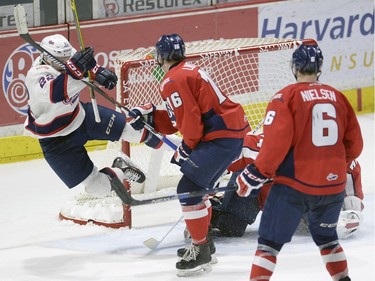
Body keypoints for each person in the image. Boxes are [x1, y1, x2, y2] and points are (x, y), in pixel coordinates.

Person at [235, 43, 363, 281]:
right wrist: (328, 165)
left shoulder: (286, 97)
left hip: (294, 187)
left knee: (268, 245)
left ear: (294, 67)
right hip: (332, 188)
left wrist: (254, 173)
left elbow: (274, 145)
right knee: (328, 240)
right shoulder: (339, 97)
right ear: (320, 67)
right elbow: (355, 146)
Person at [128, 33, 250, 277]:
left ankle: (200, 249)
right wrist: (151, 116)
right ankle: (205, 244)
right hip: (230, 133)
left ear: (161, 56)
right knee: (197, 188)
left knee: (188, 189)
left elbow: (191, 123)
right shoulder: (185, 71)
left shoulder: (172, 79)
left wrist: (187, 147)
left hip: (221, 137)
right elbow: (179, 119)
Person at [24, 34, 166, 200]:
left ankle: (186, 153)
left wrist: (101, 74)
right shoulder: (36, 75)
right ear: (47, 58)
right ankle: (121, 169)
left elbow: (87, 66)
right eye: (59, 60)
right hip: (56, 142)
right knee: (99, 189)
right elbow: (55, 93)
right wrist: (77, 70)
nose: (64, 62)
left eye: (66, 58)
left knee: (139, 132)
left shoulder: (68, 56)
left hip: (82, 118)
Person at [209, 133, 364, 240]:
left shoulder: (340, 157)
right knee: (230, 228)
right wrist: (211, 179)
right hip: (253, 191)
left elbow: (352, 199)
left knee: (311, 227)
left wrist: (349, 214)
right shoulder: (264, 144)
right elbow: (233, 158)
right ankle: (212, 211)